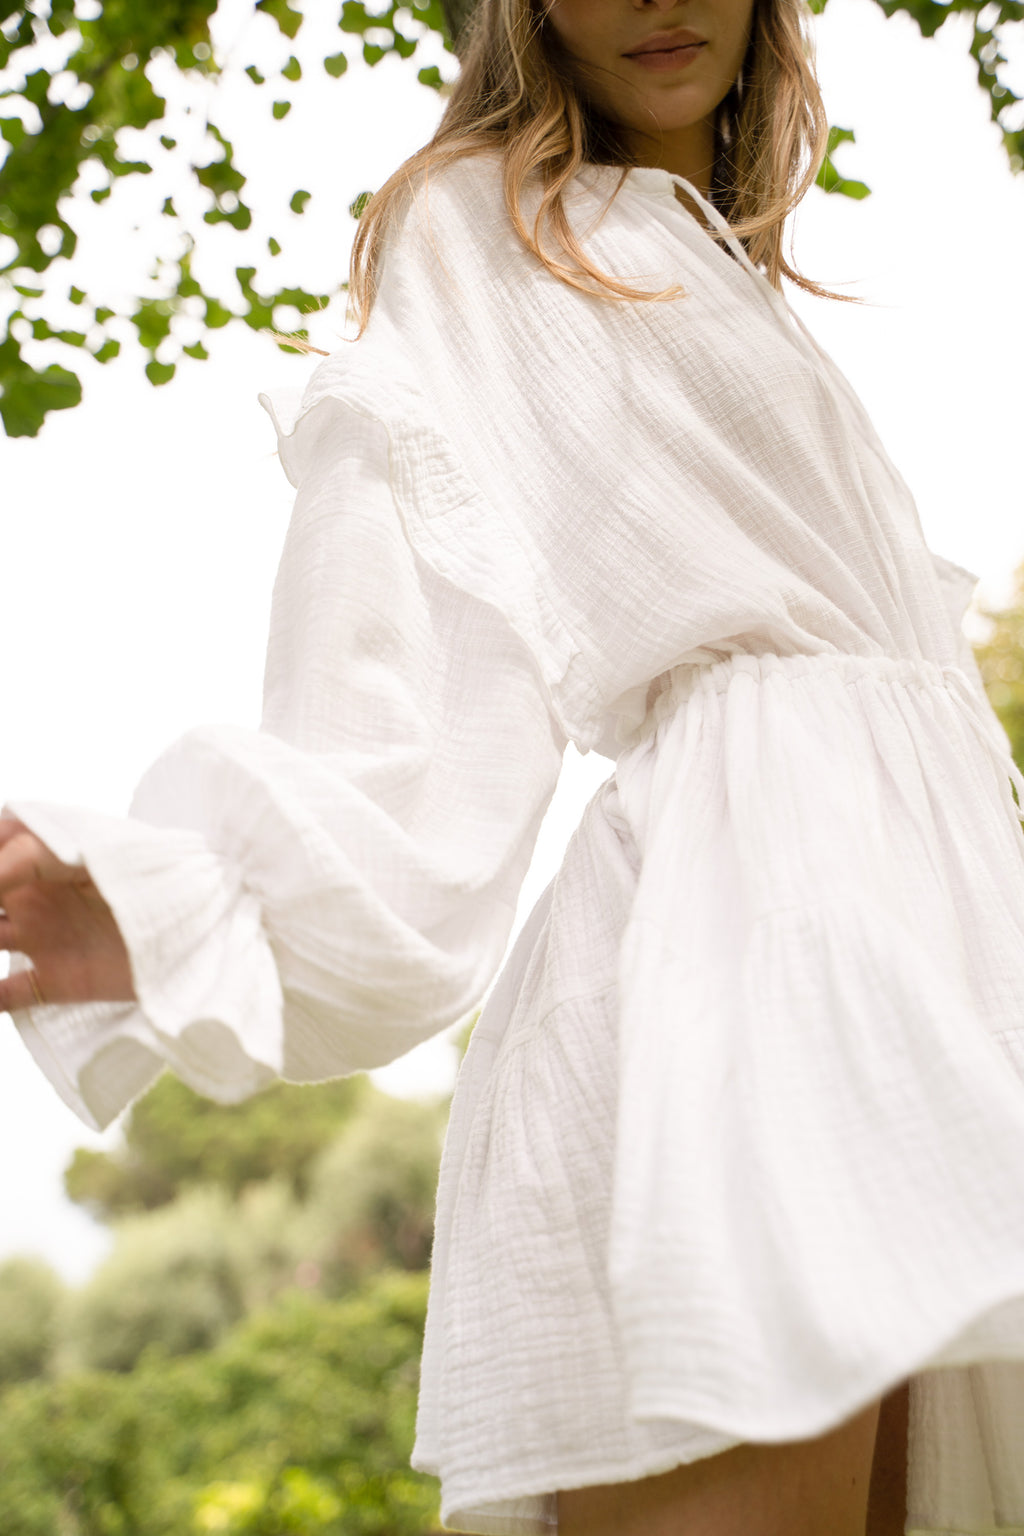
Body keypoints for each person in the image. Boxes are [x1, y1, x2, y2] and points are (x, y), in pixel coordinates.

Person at [3, 0, 1024, 1532]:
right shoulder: (485, 217)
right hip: (735, 959)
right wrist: (203, 904)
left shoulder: (711, 258)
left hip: (905, 954)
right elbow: (410, 618)